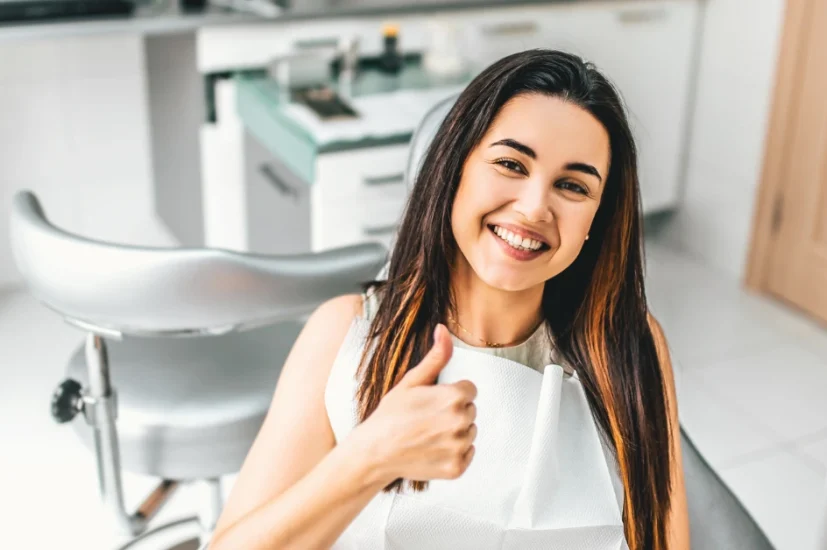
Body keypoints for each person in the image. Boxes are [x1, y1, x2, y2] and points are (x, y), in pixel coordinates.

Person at [208, 49, 690, 550]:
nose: (533, 209)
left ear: (597, 220)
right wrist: (367, 458)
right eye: (510, 164)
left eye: (572, 186)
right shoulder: (345, 334)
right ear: (454, 169)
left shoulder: (626, 344)